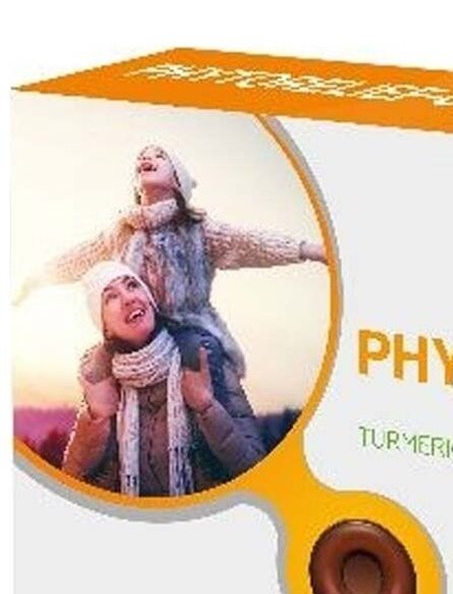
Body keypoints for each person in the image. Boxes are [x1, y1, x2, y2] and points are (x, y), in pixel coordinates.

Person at [15, 144, 326, 377]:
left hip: (188, 327)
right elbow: (79, 257)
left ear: (178, 180)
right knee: (94, 367)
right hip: (138, 331)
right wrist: (34, 279)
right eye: (142, 157)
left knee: (198, 356)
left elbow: (251, 242)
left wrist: (310, 250)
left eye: (159, 155)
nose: (146, 157)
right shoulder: (121, 231)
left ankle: (218, 429)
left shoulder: (197, 230)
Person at [63, 261, 265, 497]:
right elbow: (69, 488)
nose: (128, 298)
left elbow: (255, 472)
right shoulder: (102, 382)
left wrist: (208, 408)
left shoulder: (203, 360)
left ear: (149, 299)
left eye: (132, 285)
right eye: (111, 297)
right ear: (105, 328)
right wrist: (96, 420)